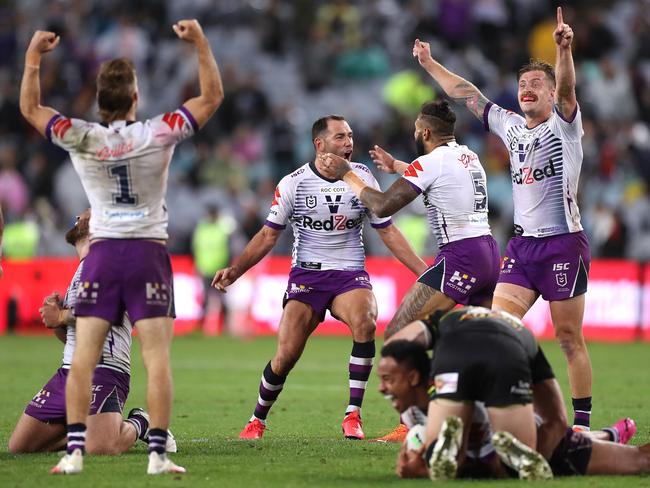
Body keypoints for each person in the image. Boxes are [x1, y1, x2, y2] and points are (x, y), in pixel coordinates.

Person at [19, 19, 223, 475]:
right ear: (135, 98)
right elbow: (211, 99)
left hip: (105, 253)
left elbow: (31, 108)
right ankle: (157, 456)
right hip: (149, 251)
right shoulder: (158, 131)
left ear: (99, 100)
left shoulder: (81, 135)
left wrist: (34, 57)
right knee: (156, 359)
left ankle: (72, 454)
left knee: (83, 358)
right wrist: (201, 45)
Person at [411, 7, 593, 431]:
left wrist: (563, 51)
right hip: (523, 245)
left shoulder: (565, 125)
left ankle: (581, 425)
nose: (527, 89)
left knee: (568, 338)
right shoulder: (510, 127)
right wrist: (429, 63)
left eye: (536, 85)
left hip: (564, 242)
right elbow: (466, 92)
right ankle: (506, 412)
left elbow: (567, 90)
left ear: (550, 95)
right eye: (523, 84)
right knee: (497, 329)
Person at [212, 115, 428, 440]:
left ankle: (353, 414)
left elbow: (389, 232)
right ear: (320, 144)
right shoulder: (293, 183)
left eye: (351, 136)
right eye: (340, 137)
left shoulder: (362, 178)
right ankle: (257, 419)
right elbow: (268, 236)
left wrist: (424, 272)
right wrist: (236, 269)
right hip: (307, 277)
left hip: (349, 274)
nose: (349, 143)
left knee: (366, 321)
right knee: (285, 356)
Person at [321, 99, 500, 442]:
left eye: (417, 130)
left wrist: (348, 175)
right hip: (489, 253)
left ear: (426, 132)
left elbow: (383, 204)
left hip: (460, 256)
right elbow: (443, 177)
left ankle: (414, 423)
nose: (415, 134)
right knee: (482, 343)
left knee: (398, 337)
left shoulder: (428, 162)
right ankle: (485, 418)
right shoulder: (468, 155)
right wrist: (399, 166)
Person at [7, 210, 175, 455]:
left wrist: (62, 315)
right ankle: (86, 434)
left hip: (104, 370)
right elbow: (72, 337)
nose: (78, 216)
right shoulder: (82, 269)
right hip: (68, 371)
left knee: (103, 448)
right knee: (20, 448)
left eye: (88, 212)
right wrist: (57, 323)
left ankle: (141, 422)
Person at [380, 334, 646, 479]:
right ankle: (609, 434)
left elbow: (485, 462)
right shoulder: (409, 410)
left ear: (413, 377)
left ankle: (606, 436)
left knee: (639, 461)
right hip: (506, 451)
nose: (382, 388)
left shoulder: (457, 396)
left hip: (545, 442)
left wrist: (428, 469)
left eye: (388, 380)